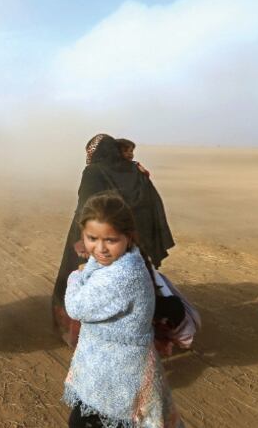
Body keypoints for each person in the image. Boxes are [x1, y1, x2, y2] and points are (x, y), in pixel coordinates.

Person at [64, 191, 195, 428]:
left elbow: (76, 307)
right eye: (92, 239)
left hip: (115, 371)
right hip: (108, 366)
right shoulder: (122, 261)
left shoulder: (122, 275)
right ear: (83, 235)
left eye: (110, 240)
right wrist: (86, 271)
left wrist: (74, 279)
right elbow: (93, 269)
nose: (100, 249)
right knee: (94, 427)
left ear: (128, 236)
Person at [53, 133, 176, 346]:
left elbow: (86, 208)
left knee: (88, 285)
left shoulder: (93, 172)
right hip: (129, 243)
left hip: (96, 241)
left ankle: (85, 336)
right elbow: (149, 204)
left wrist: (85, 238)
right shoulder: (135, 170)